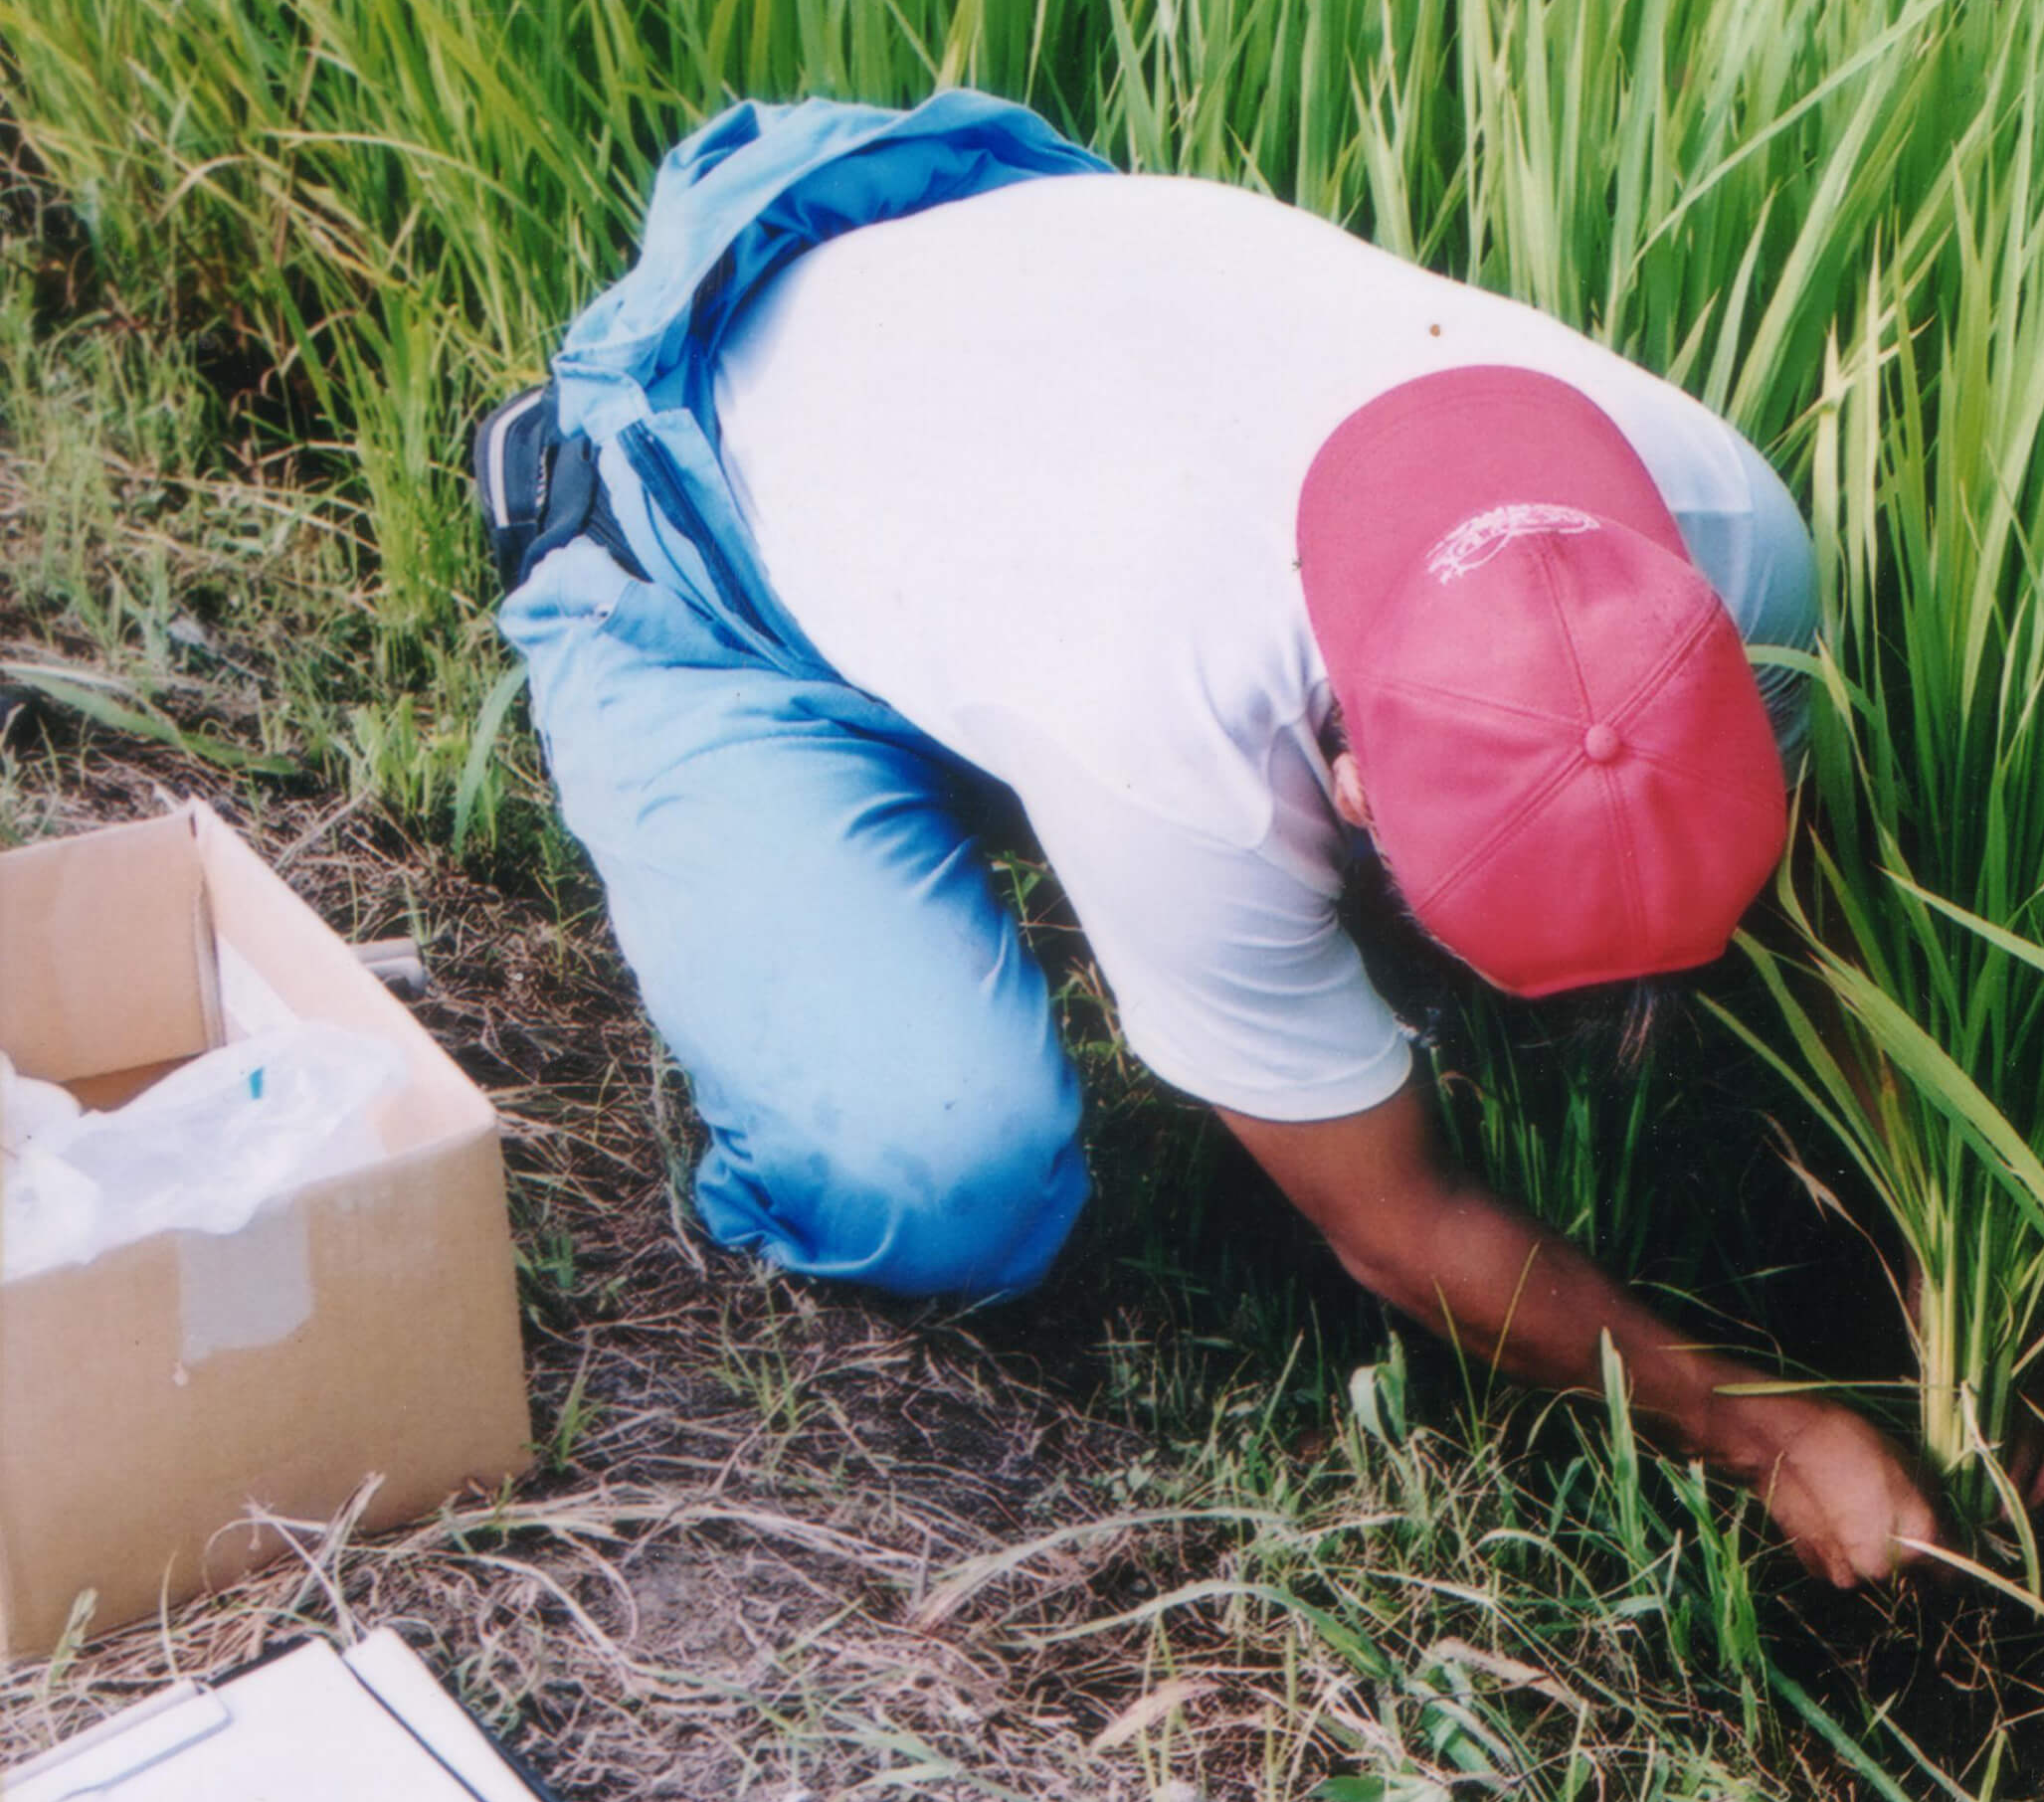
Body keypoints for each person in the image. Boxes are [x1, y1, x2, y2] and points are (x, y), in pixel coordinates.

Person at [481, 90, 1942, 1587]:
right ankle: (575, 527)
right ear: (1353, 793)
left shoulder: (1726, 534)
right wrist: (1766, 1431)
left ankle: (958, 665)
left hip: (981, 287)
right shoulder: (1171, 722)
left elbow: (1802, 920)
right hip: (704, 513)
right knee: (937, 1182)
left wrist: (1950, 1254)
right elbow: (1396, 1224)